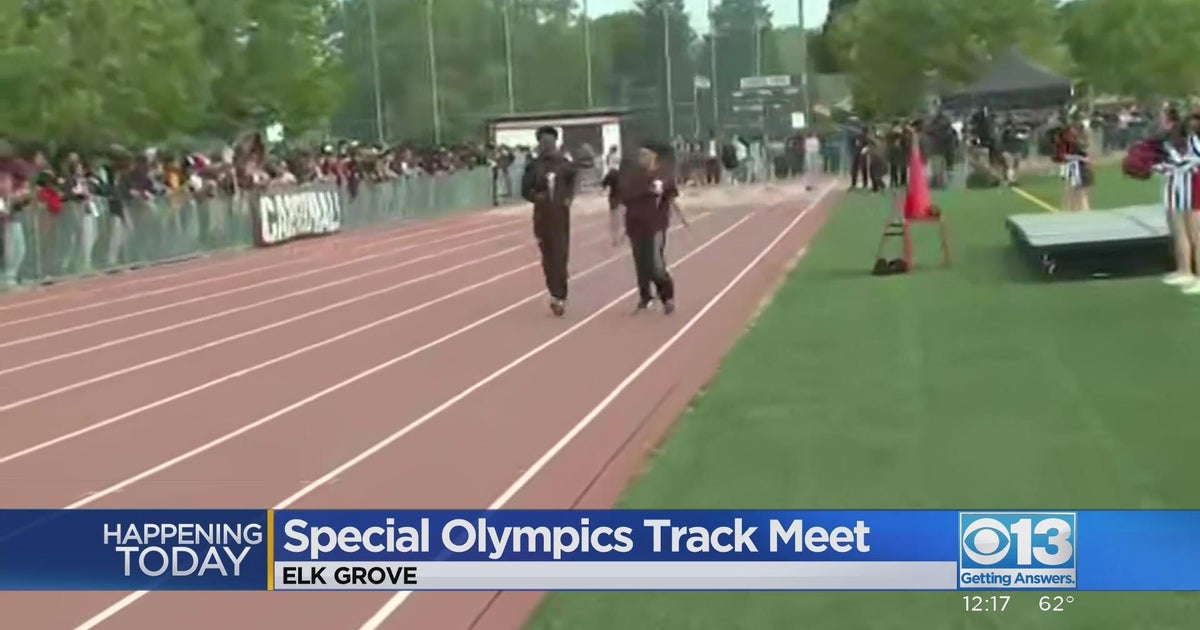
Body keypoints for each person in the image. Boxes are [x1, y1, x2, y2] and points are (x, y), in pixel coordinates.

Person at [617, 141, 687, 314]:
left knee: (655, 263)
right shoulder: (632, 178)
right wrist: (619, 228)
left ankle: (667, 296)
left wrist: (683, 218)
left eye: (646, 156)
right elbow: (623, 201)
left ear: (654, 158)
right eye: (641, 156)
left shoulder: (663, 177)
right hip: (635, 225)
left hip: (656, 226)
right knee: (641, 263)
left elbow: (671, 198)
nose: (642, 159)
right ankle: (645, 297)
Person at [521, 126, 579, 317]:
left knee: (560, 256)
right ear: (539, 144)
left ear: (556, 142)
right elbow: (525, 190)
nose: (547, 145)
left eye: (550, 141)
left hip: (560, 217)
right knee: (548, 259)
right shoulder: (534, 166)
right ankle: (554, 293)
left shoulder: (564, 164)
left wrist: (569, 197)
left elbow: (574, 180)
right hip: (542, 217)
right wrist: (536, 197)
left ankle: (560, 295)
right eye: (544, 142)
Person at [1155, 108, 1200, 292]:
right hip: (1176, 188)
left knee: (1196, 234)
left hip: (1194, 186)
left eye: (1163, 118)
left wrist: (1175, 165)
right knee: (1179, 231)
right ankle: (1185, 270)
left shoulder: (1192, 139)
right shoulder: (1168, 139)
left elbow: (1194, 159)